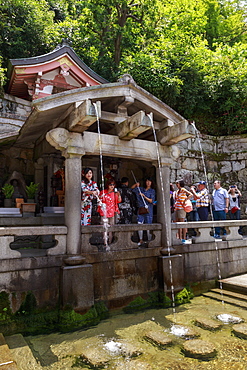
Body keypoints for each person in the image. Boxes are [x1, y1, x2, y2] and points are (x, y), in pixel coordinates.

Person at [132, 178, 155, 246]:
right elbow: (131, 189)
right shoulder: (140, 189)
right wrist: (136, 185)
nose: (148, 183)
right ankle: (140, 239)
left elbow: (151, 201)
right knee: (140, 223)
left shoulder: (152, 191)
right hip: (141, 209)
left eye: (149, 181)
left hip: (148, 209)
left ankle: (149, 240)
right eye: (147, 181)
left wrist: (144, 196)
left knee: (148, 224)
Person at [97, 179, 122, 245]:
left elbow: (119, 201)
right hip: (104, 212)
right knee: (104, 227)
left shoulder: (114, 193)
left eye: (113, 185)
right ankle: (105, 242)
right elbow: (99, 200)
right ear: (107, 185)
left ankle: (110, 241)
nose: (112, 186)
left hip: (112, 212)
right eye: (110, 184)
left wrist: (119, 195)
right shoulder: (103, 192)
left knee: (111, 227)